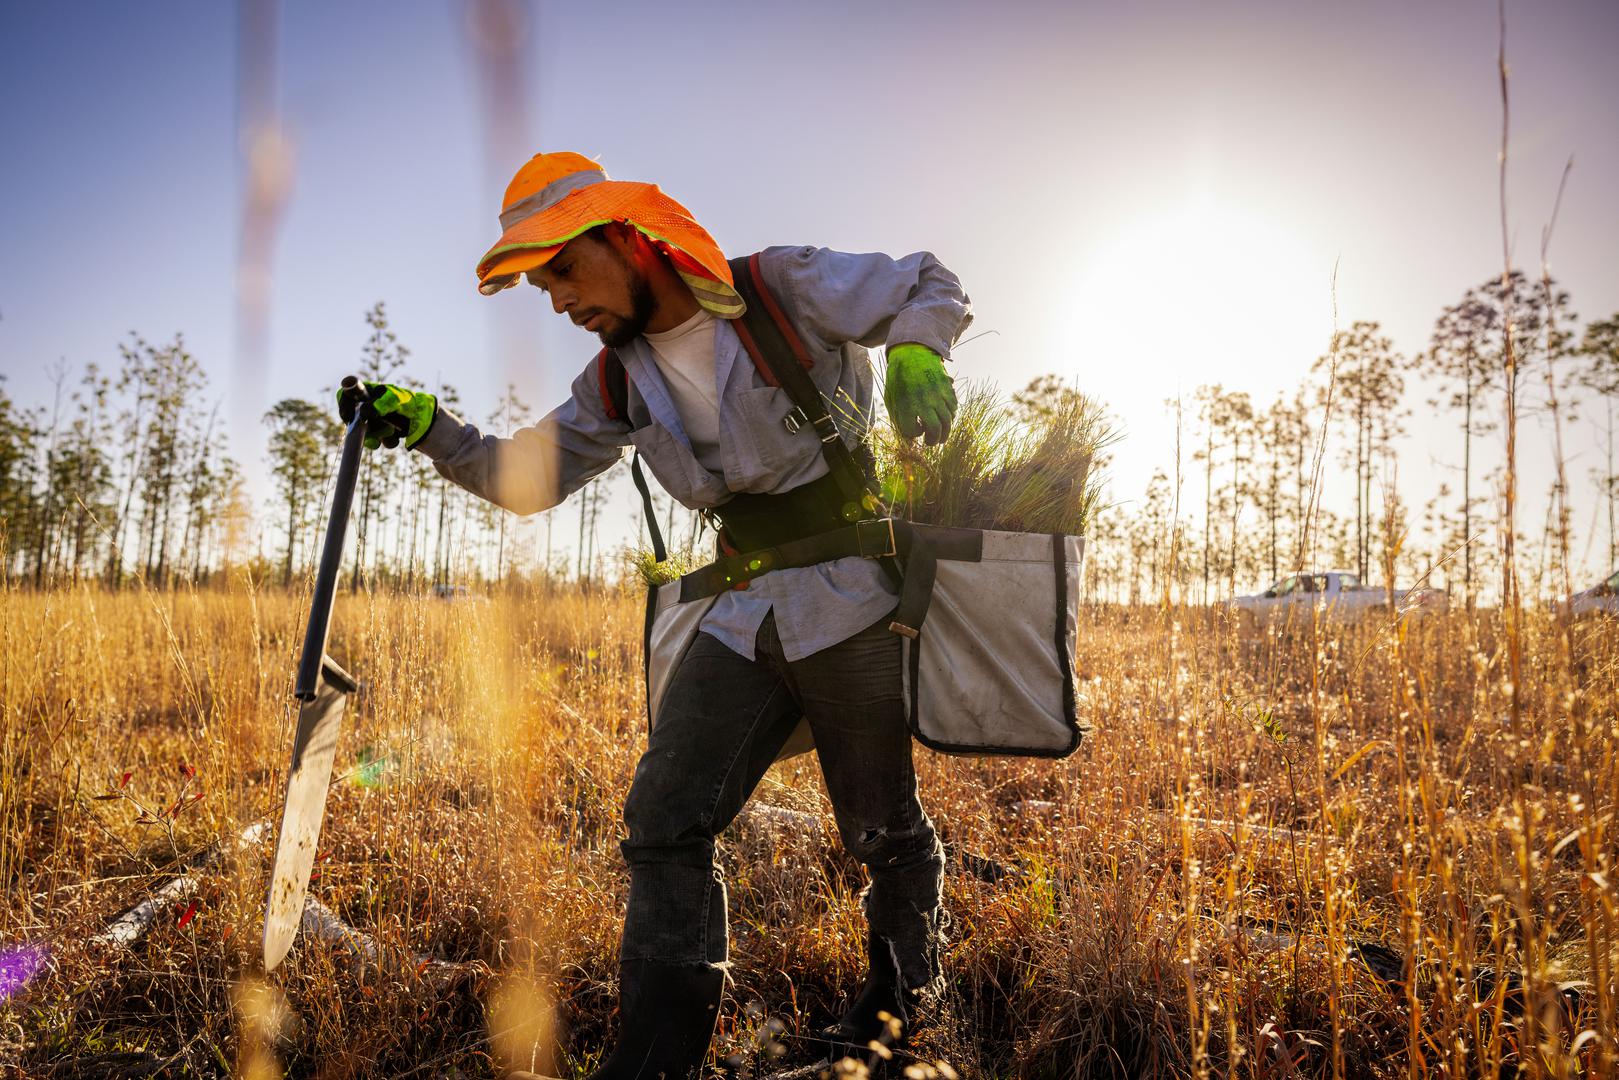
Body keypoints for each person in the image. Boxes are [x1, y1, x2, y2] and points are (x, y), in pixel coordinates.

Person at [338, 151, 970, 1079]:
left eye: (559, 270)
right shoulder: (616, 380)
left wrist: (917, 347)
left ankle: (897, 1017)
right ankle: (653, 1060)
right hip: (737, 613)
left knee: (881, 829)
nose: (555, 302)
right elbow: (526, 481)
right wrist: (432, 426)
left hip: (851, 602)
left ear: (628, 241)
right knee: (664, 820)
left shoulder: (777, 288)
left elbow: (925, 279)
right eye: (537, 285)